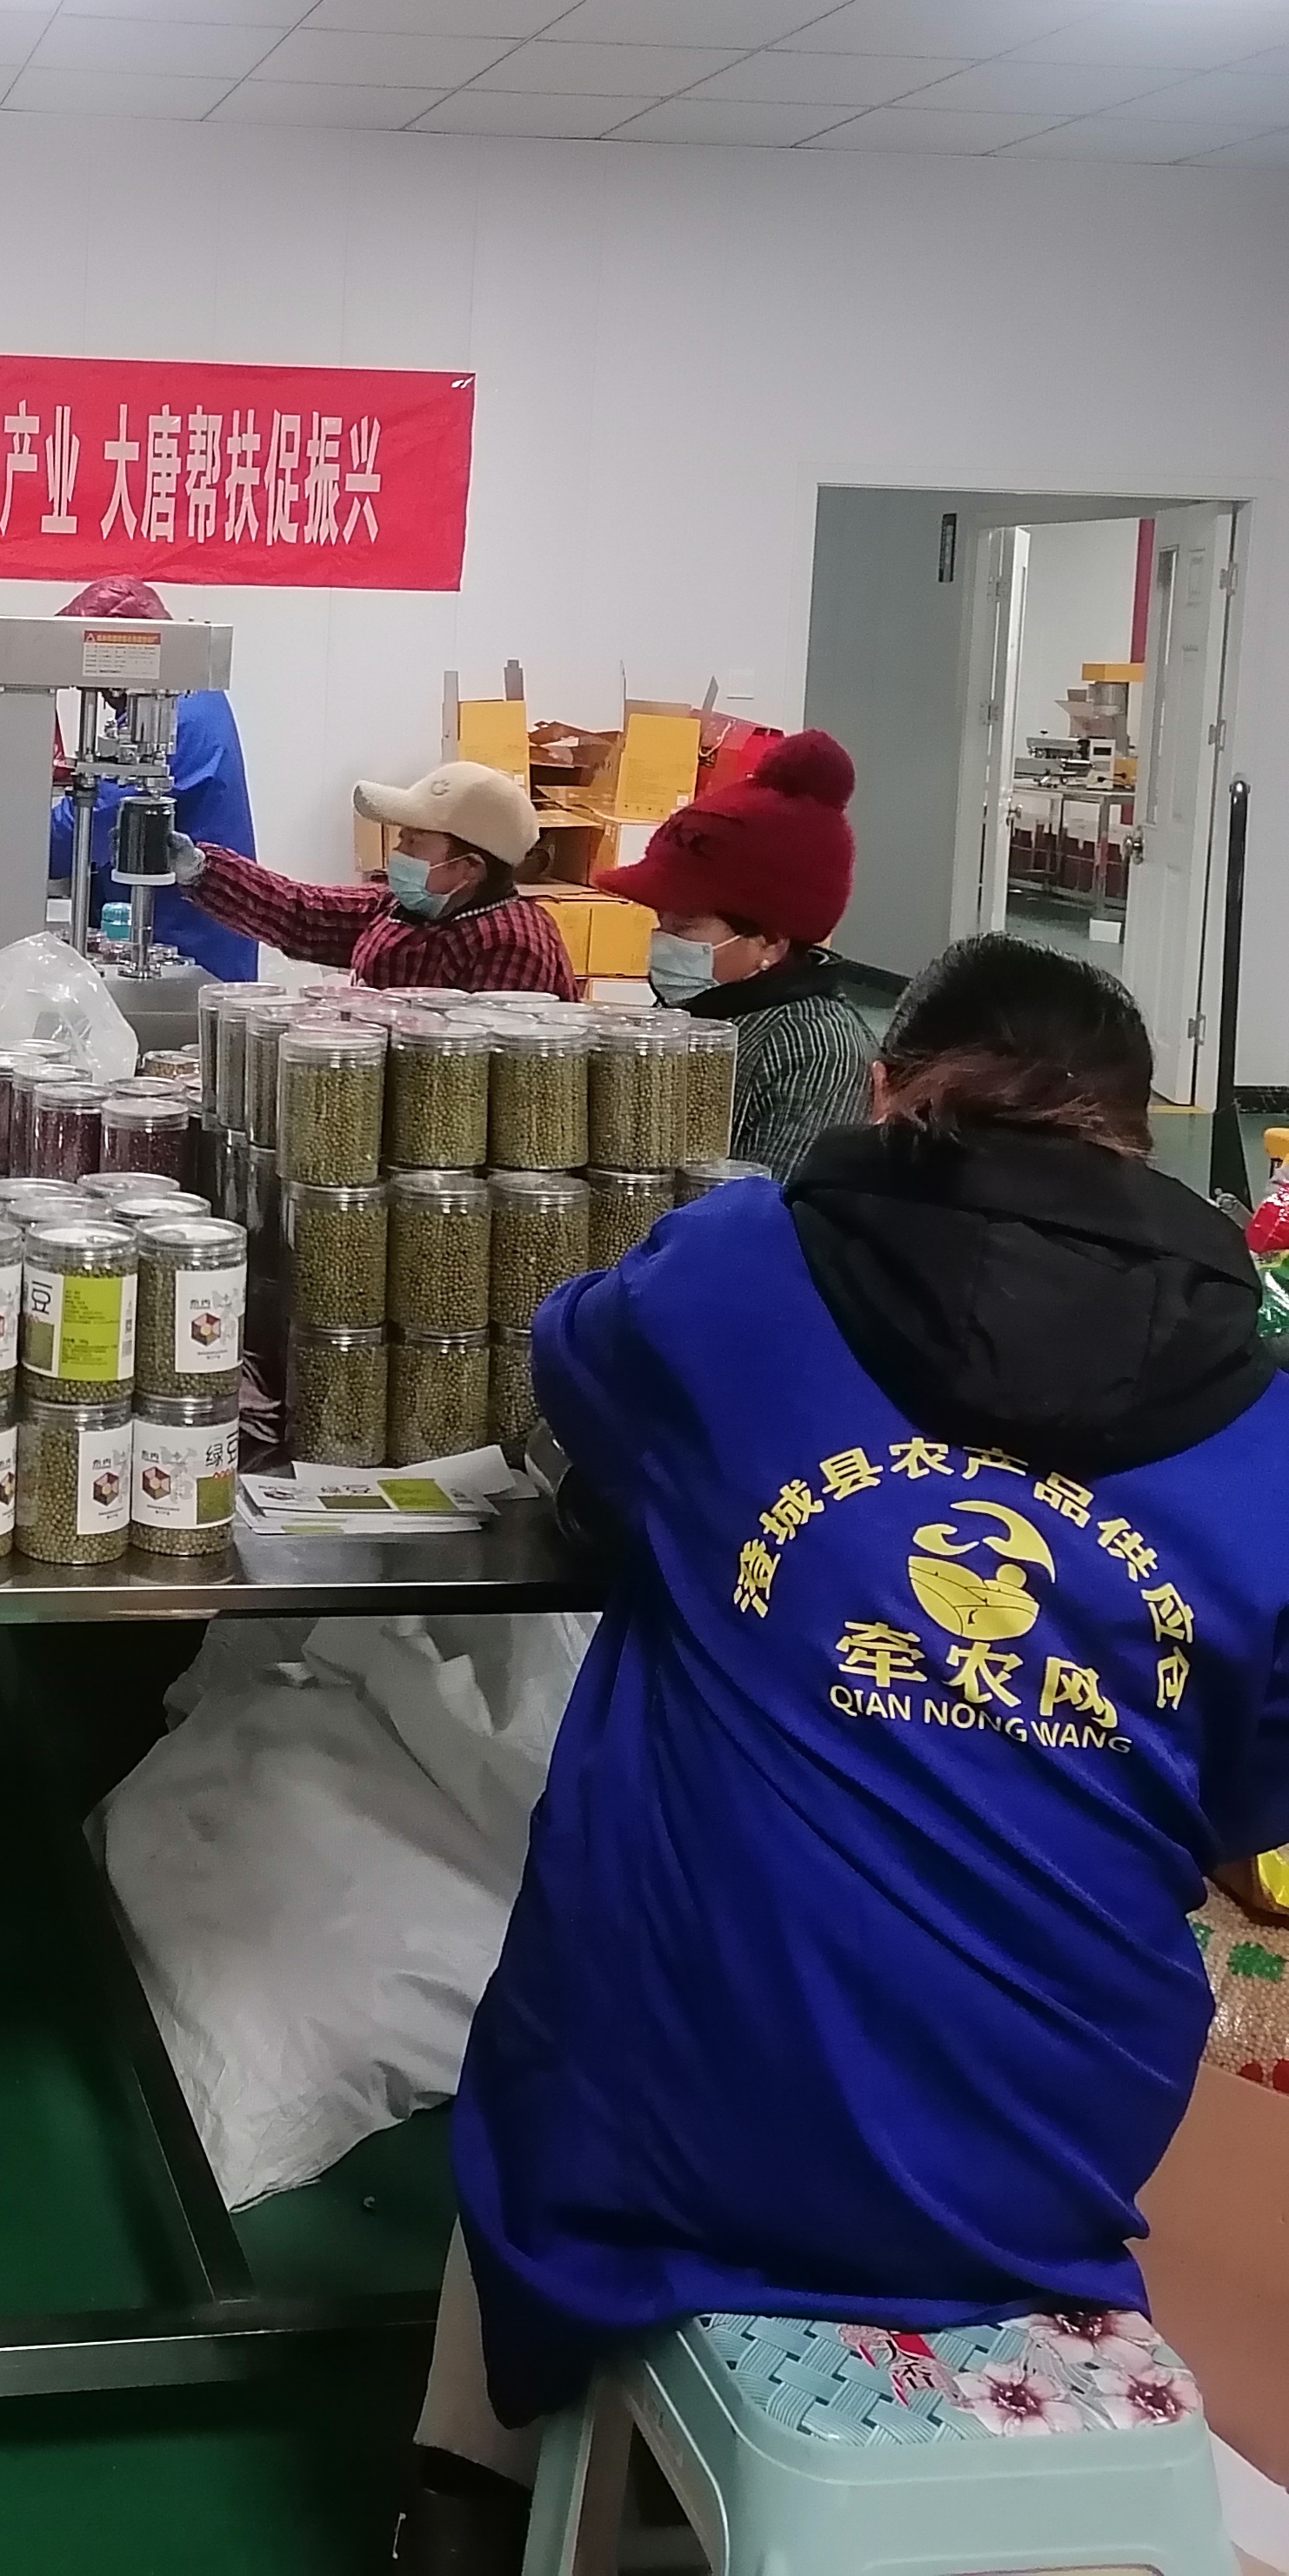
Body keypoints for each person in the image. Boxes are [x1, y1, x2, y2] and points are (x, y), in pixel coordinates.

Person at [391, 937, 1289, 2574]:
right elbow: (1250, 1826)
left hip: (682, 2120)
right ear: (1135, 1133)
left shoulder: (738, 1273)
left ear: (884, 1092)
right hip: (1046, 2159)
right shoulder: (1268, 1428)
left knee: (557, 2025)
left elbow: (574, 1366)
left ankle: (466, 2495)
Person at [595, 730, 874, 1181]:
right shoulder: (699, 1006)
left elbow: (769, 1205)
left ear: (770, 942)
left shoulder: (818, 1053)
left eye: (686, 926)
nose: (663, 940)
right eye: (662, 920)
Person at [173, 761, 578, 998]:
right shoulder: (406, 909)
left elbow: (470, 1066)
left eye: (414, 841)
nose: (398, 853)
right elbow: (301, 914)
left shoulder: (511, 944)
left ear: (470, 867)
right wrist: (199, 867)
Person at [46, 579, 259, 980]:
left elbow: (98, 817)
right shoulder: (191, 697)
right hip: (178, 928)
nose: (100, 695)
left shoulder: (172, 717)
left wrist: (20, 848)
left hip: (186, 943)